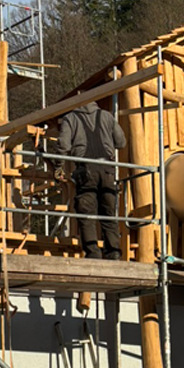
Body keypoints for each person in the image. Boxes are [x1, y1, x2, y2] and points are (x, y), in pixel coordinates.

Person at [55, 101, 126, 259]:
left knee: (87, 215)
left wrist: (58, 167)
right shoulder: (106, 116)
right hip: (108, 170)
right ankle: (113, 254)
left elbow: (64, 145)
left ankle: (93, 255)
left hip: (86, 170)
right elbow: (121, 142)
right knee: (109, 214)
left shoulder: (70, 118)